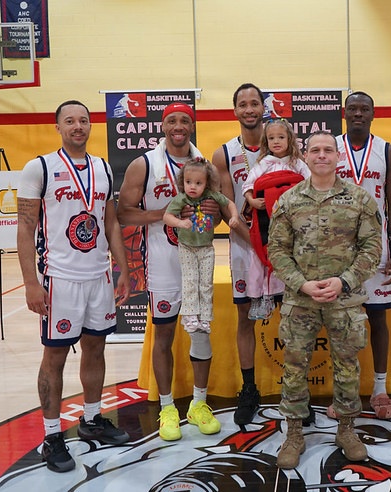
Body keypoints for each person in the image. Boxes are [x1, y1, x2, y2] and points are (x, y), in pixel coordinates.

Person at [17, 100, 131, 473]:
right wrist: (31, 283)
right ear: (58, 127)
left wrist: (123, 269)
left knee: (96, 349)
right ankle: (52, 436)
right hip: (59, 279)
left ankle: (92, 419)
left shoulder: (102, 168)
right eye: (70, 121)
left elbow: (111, 222)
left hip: (98, 277)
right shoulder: (40, 168)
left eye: (83, 120)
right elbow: (25, 227)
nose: (78, 126)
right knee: (55, 356)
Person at [267, 131, 382, 469]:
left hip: (343, 301)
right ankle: (293, 434)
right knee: (294, 367)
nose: (321, 155)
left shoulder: (360, 200)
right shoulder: (288, 201)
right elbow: (277, 250)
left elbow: (372, 249)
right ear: (305, 156)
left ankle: (346, 430)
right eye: (314, 150)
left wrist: (343, 281)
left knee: (347, 367)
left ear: (338, 157)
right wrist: (302, 284)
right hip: (300, 300)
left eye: (327, 150)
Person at [117, 102, 222, 442]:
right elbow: (123, 214)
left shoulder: (205, 164)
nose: (179, 126)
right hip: (163, 265)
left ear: (192, 126)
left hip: (199, 259)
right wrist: (160, 214)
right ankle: (166, 408)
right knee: (163, 337)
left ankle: (199, 404)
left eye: (185, 121)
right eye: (172, 120)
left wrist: (208, 219)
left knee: (201, 332)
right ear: (163, 126)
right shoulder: (144, 164)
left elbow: (218, 209)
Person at [330, 91, 391, 420]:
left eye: (365, 109)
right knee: (338, 320)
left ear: (374, 113)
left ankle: (379, 388)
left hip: (376, 248)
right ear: (344, 113)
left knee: (378, 317)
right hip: (335, 248)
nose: (358, 113)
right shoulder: (328, 147)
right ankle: (344, 391)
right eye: (353, 108)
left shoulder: (387, 151)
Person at [212, 83, 268, 426]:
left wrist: (276, 247)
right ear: (235, 111)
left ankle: (296, 392)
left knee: (293, 319)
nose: (249, 109)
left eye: (254, 103)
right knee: (245, 318)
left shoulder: (283, 145)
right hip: (245, 247)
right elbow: (225, 208)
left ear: (264, 107)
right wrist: (256, 245)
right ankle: (249, 389)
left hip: (282, 248)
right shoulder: (223, 154)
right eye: (242, 104)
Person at [163, 157, 243, 332]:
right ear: (182, 182)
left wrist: (235, 217)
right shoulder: (181, 199)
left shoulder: (212, 196)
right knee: (190, 280)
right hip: (187, 247)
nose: (192, 186)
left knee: (206, 283)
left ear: (207, 183)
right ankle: (190, 316)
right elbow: (166, 217)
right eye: (188, 182)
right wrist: (179, 223)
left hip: (206, 247)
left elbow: (229, 203)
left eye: (198, 183)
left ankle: (205, 317)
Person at [242, 118, 310, 320]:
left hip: (292, 221)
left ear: (290, 139)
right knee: (262, 257)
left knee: (291, 257)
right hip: (266, 221)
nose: (276, 141)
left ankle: (292, 293)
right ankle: (263, 296)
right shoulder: (263, 164)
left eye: (281, 137)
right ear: (266, 142)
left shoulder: (297, 164)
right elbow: (248, 186)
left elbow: (308, 185)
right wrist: (252, 202)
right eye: (271, 138)